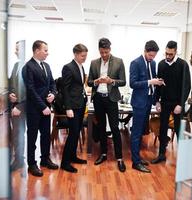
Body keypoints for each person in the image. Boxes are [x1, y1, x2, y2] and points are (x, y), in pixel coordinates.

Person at [87, 38, 126, 172]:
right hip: (98, 98)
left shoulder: (119, 61)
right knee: (101, 127)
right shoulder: (93, 63)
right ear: (99, 50)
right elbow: (89, 82)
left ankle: (119, 158)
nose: (104, 54)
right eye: (102, 52)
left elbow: (123, 82)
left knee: (115, 128)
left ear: (110, 49)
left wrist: (111, 81)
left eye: (106, 51)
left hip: (112, 99)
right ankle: (103, 154)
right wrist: (96, 81)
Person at [23, 40, 59, 177]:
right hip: (34, 109)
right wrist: (43, 106)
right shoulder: (28, 67)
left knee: (46, 135)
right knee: (32, 137)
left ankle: (45, 159)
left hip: (46, 108)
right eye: (45, 50)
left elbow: (52, 83)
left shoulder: (47, 66)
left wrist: (53, 94)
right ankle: (32, 164)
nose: (47, 53)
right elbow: (30, 90)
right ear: (37, 50)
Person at [153, 40, 191, 164]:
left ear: (175, 52)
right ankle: (161, 154)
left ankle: (184, 157)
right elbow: (158, 84)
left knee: (179, 129)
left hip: (177, 103)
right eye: (166, 53)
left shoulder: (183, 65)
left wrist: (181, 103)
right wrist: (157, 101)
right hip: (164, 101)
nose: (168, 56)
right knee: (163, 128)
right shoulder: (161, 64)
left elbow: (186, 86)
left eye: (170, 54)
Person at [130, 40, 165, 173]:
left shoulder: (153, 63)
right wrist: (151, 81)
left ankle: (137, 158)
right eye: (150, 55)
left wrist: (157, 82)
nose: (152, 58)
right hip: (139, 103)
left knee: (142, 133)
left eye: (154, 56)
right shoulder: (135, 63)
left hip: (148, 102)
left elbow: (152, 80)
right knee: (136, 133)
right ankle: (135, 162)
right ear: (145, 51)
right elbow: (133, 83)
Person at [61, 43, 88, 173]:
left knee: (76, 132)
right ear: (76, 54)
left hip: (81, 104)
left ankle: (73, 156)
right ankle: (65, 163)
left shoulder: (80, 66)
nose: (85, 58)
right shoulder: (68, 67)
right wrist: (68, 108)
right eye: (83, 56)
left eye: (85, 55)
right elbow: (65, 89)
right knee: (72, 134)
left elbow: (79, 86)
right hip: (73, 106)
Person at [9, 41, 26, 171]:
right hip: (15, 104)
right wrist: (10, 94)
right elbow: (11, 84)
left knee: (21, 133)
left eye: (17, 49)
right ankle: (18, 158)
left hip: (24, 105)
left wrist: (19, 106)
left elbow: (31, 90)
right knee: (16, 133)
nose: (15, 52)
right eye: (15, 49)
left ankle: (21, 160)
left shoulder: (29, 66)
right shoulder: (16, 65)